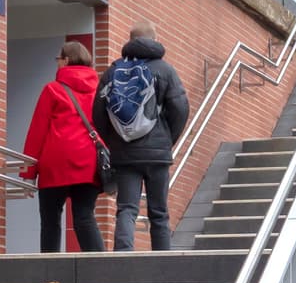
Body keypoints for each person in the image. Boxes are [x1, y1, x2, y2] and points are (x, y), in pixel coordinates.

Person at [98, 27, 193, 252]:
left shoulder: (113, 71)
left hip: (125, 154)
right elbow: (180, 109)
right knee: (159, 212)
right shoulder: (166, 70)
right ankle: (162, 262)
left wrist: (114, 142)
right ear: (155, 40)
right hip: (158, 152)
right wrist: (168, 139)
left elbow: (98, 113)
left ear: (130, 41)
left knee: (127, 209)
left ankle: (123, 256)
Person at [20, 33, 104, 252]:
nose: (57, 62)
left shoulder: (53, 89)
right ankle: (102, 271)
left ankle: (51, 278)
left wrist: (28, 173)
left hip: (55, 162)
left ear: (66, 60)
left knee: (50, 222)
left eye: (58, 58)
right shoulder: (100, 91)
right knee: (85, 218)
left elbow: (37, 132)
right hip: (88, 163)